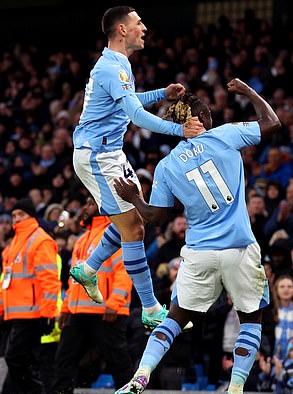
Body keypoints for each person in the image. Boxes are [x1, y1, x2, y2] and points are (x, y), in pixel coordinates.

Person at [111, 78, 281, 394]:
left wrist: (133, 198)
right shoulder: (225, 136)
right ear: (200, 116)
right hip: (239, 249)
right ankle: (234, 393)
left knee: (174, 318)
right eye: (209, 112)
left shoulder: (166, 166)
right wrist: (248, 93)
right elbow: (272, 123)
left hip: (199, 253)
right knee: (251, 318)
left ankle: (140, 375)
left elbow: (155, 217)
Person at [70, 6, 205, 329]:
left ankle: (88, 269)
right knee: (135, 228)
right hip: (97, 156)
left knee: (135, 219)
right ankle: (149, 308)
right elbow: (135, 116)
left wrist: (162, 93)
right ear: (121, 30)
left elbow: (127, 101)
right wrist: (179, 131)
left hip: (111, 153)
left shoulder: (118, 64)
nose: (144, 27)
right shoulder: (111, 68)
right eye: (138, 23)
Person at [52, 197, 133, 394]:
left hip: (107, 311)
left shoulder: (115, 233)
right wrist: (66, 308)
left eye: (89, 203)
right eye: (85, 203)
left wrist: (115, 303)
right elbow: (75, 279)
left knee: (118, 361)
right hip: (79, 312)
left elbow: (125, 271)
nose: (85, 207)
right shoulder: (81, 239)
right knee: (64, 358)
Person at [0, 198, 61, 394]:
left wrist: (47, 313)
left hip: (32, 314)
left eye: (21, 214)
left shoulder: (40, 241)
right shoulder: (13, 246)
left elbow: (50, 280)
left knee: (15, 359)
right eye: (14, 215)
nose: (17, 218)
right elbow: (5, 286)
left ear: (31, 216)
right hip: (15, 314)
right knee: (21, 360)